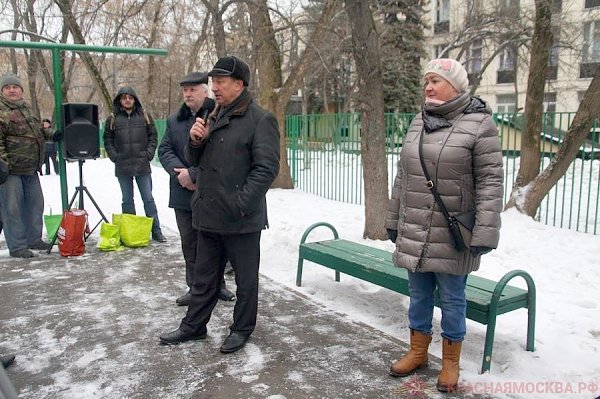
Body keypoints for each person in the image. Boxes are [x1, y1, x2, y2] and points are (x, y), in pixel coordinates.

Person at [384, 58, 503, 392]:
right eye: (426, 82)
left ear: (456, 86)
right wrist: (393, 219)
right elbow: (402, 176)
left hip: (453, 235)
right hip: (415, 228)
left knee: (452, 299)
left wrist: (485, 231)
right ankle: (418, 351)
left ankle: (451, 363)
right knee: (418, 295)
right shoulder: (417, 123)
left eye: (435, 81)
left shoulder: (480, 125)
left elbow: (491, 184)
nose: (428, 88)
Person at [159, 56, 280, 353]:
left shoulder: (259, 119)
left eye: (221, 82)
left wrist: (240, 204)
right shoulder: (213, 113)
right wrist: (196, 141)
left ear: (239, 84)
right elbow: (195, 161)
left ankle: (241, 329)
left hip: (241, 218)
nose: (215, 87)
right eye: (213, 82)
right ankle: (194, 326)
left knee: (245, 281)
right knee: (203, 278)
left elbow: (266, 169)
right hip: (208, 213)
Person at [158, 71, 235, 306]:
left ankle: (218, 284)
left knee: (215, 241)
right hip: (182, 192)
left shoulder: (219, 116)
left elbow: (223, 155)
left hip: (211, 193)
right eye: (185, 90)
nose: (188, 94)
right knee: (190, 243)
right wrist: (180, 172)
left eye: (193, 89)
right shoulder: (174, 121)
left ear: (205, 90)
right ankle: (194, 287)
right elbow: (164, 150)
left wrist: (194, 174)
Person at [103, 86, 166, 243]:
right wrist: (115, 156)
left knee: (148, 199)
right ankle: (130, 232)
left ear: (135, 99)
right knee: (127, 200)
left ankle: (156, 231)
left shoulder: (145, 116)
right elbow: (107, 140)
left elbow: (153, 136)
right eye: (124, 97)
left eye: (130, 97)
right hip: (122, 165)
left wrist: (148, 154)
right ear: (120, 100)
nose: (127, 100)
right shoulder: (112, 119)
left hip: (142, 165)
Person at [0, 73, 53, 258]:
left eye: (15, 87)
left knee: (35, 204)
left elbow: (37, 131)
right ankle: (17, 246)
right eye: (7, 88)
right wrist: (3, 163)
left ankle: (34, 239)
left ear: (21, 90)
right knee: (12, 209)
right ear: (2, 91)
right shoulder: (1, 111)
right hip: (10, 171)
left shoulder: (27, 109)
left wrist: (51, 134)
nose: (12, 90)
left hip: (31, 169)